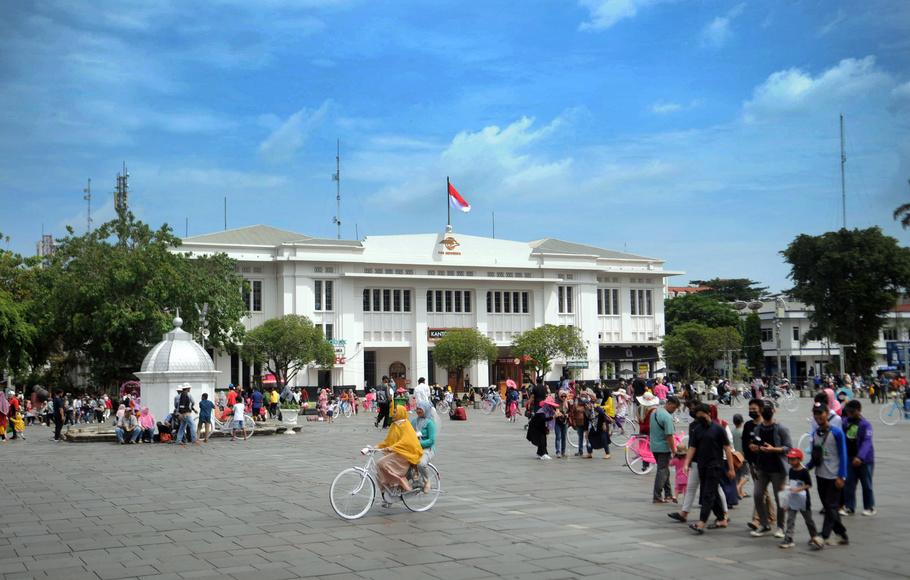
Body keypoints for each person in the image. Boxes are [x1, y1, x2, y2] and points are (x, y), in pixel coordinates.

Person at [685, 403, 735, 534]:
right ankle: (721, 518)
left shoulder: (719, 428)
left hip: (715, 465)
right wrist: (686, 463)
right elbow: (692, 448)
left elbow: (727, 449)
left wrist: (731, 468)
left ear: (708, 414)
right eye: (697, 416)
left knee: (708, 494)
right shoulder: (698, 430)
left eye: (701, 416)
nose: (699, 419)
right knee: (712, 493)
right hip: (702, 465)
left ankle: (701, 523)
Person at [807, 403, 849, 546]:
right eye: (815, 413)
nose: (818, 416)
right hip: (821, 475)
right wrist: (808, 466)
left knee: (831, 506)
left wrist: (841, 476)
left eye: (820, 413)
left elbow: (843, 455)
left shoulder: (837, 433)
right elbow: (816, 455)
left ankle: (823, 536)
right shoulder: (815, 434)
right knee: (829, 506)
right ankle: (842, 535)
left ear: (827, 413)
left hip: (833, 476)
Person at [749, 399, 792, 539]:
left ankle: (780, 527)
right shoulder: (758, 428)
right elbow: (755, 443)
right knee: (757, 495)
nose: (767, 412)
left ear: (774, 411)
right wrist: (754, 448)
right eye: (764, 410)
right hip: (762, 467)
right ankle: (764, 524)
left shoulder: (781, 428)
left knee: (780, 498)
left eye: (769, 410)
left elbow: (789, 447)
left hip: (777, 468)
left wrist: (775, 449)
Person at [374, 405, 423, 506]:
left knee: (381, 463)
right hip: (397, 453)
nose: (393, 414)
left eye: (396, 412)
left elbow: (405, 441)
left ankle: (404, 485)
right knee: (378, 471)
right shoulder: (394, 425)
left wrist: (394, 447)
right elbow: (388, 441)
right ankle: (388, 495)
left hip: (406, 455)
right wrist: (377, 447)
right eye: (393, 411)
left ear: (401, 413)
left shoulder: (405, 425)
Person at [779, 449, 823, 549]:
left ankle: (814, 536)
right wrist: (787, 488)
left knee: (808, 519)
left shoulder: (804, 471)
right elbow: (792, 483)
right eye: (789, 459)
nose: (791, 462)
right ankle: (789, 538)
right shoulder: (791, 470)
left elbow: (809, 485)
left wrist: (799, 489)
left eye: (793, 460)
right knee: (790, 519)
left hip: (803, 500)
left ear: (800, 460)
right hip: (793, 498)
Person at [841, 399, 875, 516]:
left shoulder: (866, 424)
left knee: (866, 484)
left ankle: (869, 507)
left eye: (852, 411)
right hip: (850, 457)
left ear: (859, 411)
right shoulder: (846, 422)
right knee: (849, 483)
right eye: (848, 411)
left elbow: (867, 442)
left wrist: (860, 457)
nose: (849, 413)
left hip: (865, 460)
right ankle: (850, 506)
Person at [650, 395, 680, 503]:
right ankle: (657, 497)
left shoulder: (655, 412)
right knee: (662, 471)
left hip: (654, 446)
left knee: (664, 470)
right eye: (674, 407)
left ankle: (668, 493)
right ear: (669, 404)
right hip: (663, 448)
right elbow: (669, 436)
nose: (674, 410)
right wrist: (674, 451)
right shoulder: (667, 417)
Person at [411, 401, 438, 493]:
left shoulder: (430, 423)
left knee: (421, 463)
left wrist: (418, 443)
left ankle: (427, 481)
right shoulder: (414, 421)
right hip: (414, 448)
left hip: (427, 448)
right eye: (417, 409)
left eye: (420, 409)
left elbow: (431, 440)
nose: (418, 411)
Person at [553, 390, 570, 458]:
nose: (563, 397)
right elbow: (555, 410)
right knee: (558, 437)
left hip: (565, 421)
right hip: (558, 422)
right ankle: (558, 452)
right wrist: (559, 414)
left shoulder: (567, 402)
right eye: (562, 396)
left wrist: (567, 414)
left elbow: (571, 411)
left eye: (565, 396)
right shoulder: (556, 402)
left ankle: (563, 451)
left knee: (564, 437)